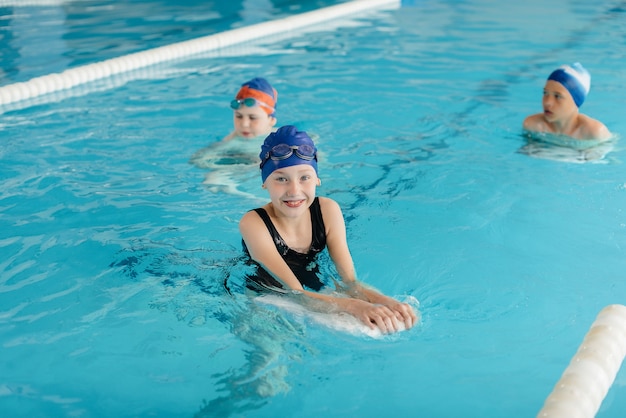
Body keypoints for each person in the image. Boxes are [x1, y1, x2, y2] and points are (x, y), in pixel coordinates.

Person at [239, 125, 418, 334]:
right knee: (271, 355)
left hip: (312, 286)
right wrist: (354, 306)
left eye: (304, 177)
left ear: (317, 179)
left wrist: (386, 302)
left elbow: (350, 282)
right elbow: (295, 293)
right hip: (266, 294)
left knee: (384, 322)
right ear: (264, 183)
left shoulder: (327, 210)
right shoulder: (253, 223)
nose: (294, 191)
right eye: (281, 179)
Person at [523, 63, 611, 141]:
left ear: (576, 102)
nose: (547, 102)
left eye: (557, 96)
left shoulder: (593, 133)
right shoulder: (534, 126)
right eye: (545, 93)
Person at [223, 77, 278, 141]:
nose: (244, 124)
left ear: (271, 120)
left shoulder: (283, 140)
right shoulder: (229, 141)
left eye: (252, 118)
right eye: (239, 116)